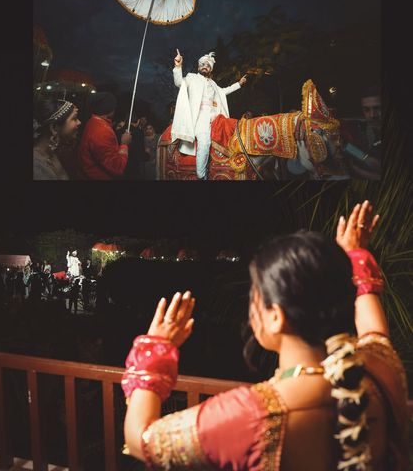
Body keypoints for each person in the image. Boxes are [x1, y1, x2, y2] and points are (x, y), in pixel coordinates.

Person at [122, 200, 408, 470]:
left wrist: (155, 350)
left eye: (254, 298)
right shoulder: (380, 367)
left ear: (276, 316)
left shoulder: (252, 414)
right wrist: (354, 255)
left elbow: (140, 441)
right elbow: (373, 329)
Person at [171, 49, 247, 179]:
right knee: (205, 141)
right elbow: (179, 82)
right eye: (203, 65)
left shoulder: (213, 84)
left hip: (215, 118)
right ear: (199, 67)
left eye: (208, 65)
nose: (205, 67)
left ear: (210, 70)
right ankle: (202, 176)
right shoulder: (191, 77)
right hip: (200, 119)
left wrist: (238, 84)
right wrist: (178, 66)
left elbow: (224, 91)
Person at [77, 92, 132, 180]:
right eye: (113, 106)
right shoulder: (102, 131)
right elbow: (116, 167)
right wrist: (124, 144)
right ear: (109, 109)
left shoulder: (93, 122)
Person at [33, 96, 81, 180]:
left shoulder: (50, 152)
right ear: (54, 128)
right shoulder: (36, 166)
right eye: (74, 118)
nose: (79, 122)